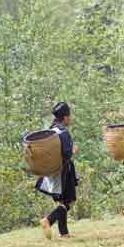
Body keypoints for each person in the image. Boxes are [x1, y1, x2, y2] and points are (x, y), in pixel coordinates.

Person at [37, 102, 79, 239]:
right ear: (65, 118)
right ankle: (48, 219)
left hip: (52, 172)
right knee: (70, 201)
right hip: (64, 171)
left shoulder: (51, 130)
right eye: (70, 116)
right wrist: (74, 150)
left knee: (61, 202)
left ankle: (64, 232)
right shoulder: (63, 132)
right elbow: (67, 154)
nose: (71, 119)